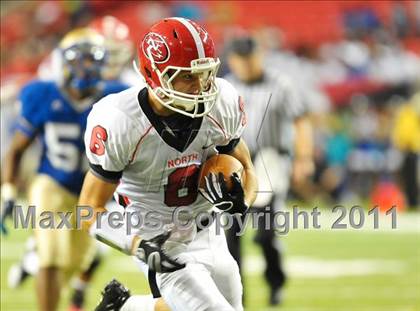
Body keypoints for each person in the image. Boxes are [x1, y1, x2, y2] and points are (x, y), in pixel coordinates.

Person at [79, 17, 257, 311]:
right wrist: (137, 245)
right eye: (187, 76)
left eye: (205, 74)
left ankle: (121, 308)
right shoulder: (120, 120)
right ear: (155, 74)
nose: (200, 86)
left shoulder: (222, 102)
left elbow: (248, 169)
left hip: (208, 230)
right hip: (159, 239)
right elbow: (88, 209)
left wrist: (242, 200)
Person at [0, 28, 128, 311]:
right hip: (51, 183)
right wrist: (9, 193)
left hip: (92, 192)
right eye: (80, 60)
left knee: (75, 262)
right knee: (51, 257)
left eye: (93, 60)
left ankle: (33, 262)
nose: (87, 67)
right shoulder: (42, 94)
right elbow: (17, 149)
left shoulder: (116, 96)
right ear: (64, 62)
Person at [224, 35, 314, 305]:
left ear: (258, 56)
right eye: (241, 59)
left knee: (266, 233)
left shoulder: (281, 85)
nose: (246, 64)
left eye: (250, 57)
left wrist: (304, 157)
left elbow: (300, 122)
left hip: (270, 165)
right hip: (237, 167)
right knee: (231, 235)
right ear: (232, 60)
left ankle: (275, 283)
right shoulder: (228, 87)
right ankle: (236, 294)